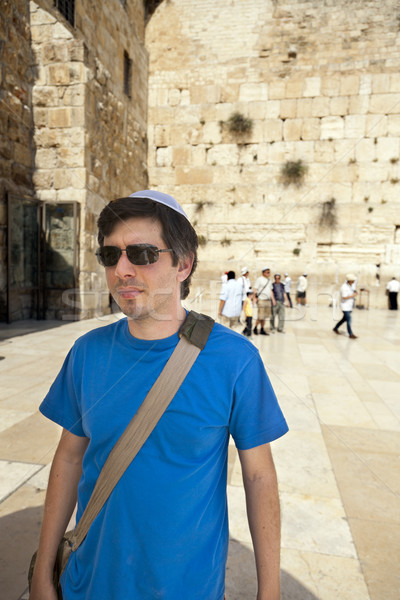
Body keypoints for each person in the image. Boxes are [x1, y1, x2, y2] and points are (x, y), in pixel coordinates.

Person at [29, 190, 288, 600]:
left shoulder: (234, 360)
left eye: (143, 254)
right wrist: (42, 571)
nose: (123, 270)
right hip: (88, 583)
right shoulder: (87, 353)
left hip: (186, 588)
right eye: (111, 255)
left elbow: (259, 477)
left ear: (183, 264)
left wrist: (268, 592)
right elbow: (69, 456)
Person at [333, 273, 358, 339]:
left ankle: (335, 328)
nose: (354, 282)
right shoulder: (344, 287)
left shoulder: (350, 286)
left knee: (344, 319)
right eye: (353, 280)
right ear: (349, 280)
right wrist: (353, 295)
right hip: (345, 306)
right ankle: (350, 334)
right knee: (349, 319)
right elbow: (344, 297)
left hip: (349, 306)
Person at [254, 267, 275, 335]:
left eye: (269, 272)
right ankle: (255, 327)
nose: (269, 274)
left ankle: (262, 329)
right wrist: (255, 298)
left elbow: (271, 290)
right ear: (263, 272)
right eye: (267, 272)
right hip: (261, 300)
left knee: (265, 316)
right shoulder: (259, 280)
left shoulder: (269, 280)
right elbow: (255, 289)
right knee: (260, 316)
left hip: (268, 300)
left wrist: (273, 299)